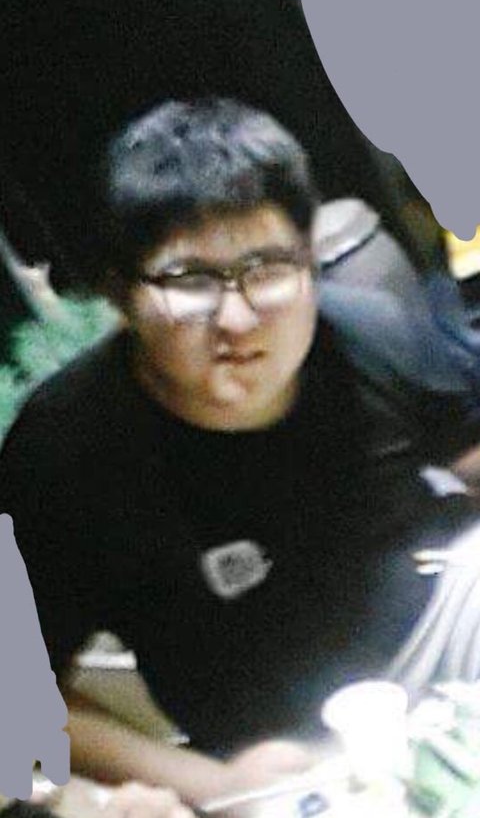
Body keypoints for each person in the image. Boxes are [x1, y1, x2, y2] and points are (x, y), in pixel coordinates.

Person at [0, 98, 478, 811]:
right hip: (272, 757)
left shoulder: (369, 336)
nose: (238, 316)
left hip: (436, 656)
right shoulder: (62, 453)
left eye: (267, 267)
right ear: (121, 292)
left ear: (309, 261)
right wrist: (215, 784)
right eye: (189, 280)